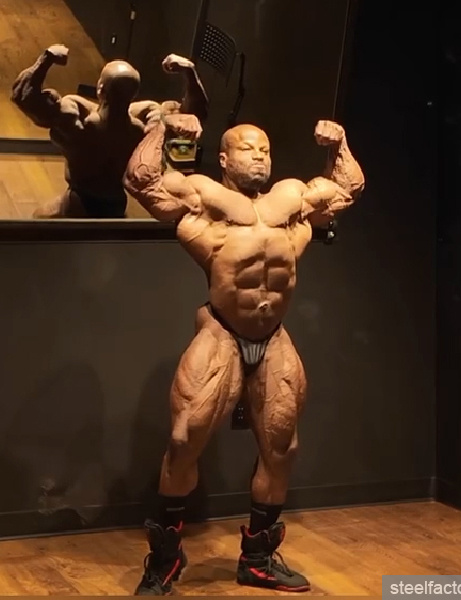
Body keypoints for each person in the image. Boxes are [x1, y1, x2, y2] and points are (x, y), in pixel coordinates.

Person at [123, 112, 365, 595]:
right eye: (248, 148)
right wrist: (163, 129)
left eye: (265, 149)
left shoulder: (292, 199)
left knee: (282, 449)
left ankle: (257, 560)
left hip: (274, 336)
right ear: (223, 157)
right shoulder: (203, 197)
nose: (259, 156)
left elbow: (347, 187)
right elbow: (141, 180)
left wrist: (339, 145)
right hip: (222, 332)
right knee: (184, 439)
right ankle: (166, 559)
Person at [11, 45, 208, 218]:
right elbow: (193, 115)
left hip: (79, 201)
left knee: (38, 218)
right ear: (134, 94)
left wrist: (47, 58)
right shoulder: (146, 123)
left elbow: (23, 96)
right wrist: (190, 73)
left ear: (100, 89)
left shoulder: (77, 121)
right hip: (116, 202)